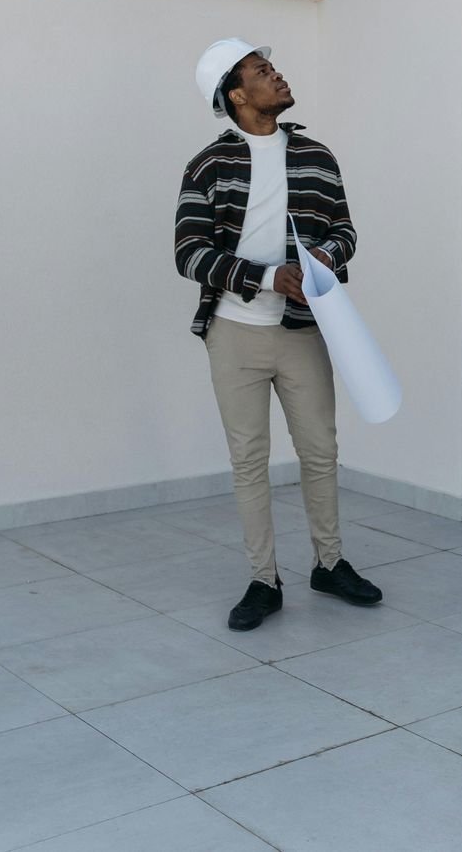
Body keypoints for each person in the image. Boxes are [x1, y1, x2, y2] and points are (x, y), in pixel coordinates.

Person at [175, 39, 382, 631]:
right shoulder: (208, 165)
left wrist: (322, 257)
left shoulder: (316, 154)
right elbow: (188, 252)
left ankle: (329, 563)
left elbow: (345, 230)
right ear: (238, 95)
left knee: (321, 451)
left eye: (274, 68)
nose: (278, 76)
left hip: (303, 331)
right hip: (235, 331)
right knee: (249, 461)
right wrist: (268, 276)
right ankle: (263, 580)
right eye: (263, 72)